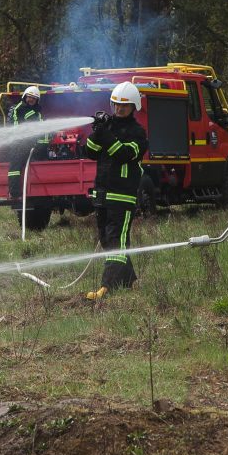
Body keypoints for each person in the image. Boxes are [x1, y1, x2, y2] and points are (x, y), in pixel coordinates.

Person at [83, 81, 148, 300]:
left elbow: (123, 154)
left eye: (124, 106)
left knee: (117, 241)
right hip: (102, 195)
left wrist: (106, 135)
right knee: (106, 240)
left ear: (133, 107)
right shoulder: (107, 127)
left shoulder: (137, 133)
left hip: (122, 197)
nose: (119, 110)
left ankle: (106, 287)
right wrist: (97, 131)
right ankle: (131, 282)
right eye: (116, 105)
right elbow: (89, 152)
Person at [7, 86, 43, 199]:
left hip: (32, 144)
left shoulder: (37, 112)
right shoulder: (19, 109)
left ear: (37, 101)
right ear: (24, 97)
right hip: (19, 143)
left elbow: (41, 127)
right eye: (29, 97)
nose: (30, 100)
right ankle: (14, 193)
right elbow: (16, 126)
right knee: (15, 166)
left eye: (33, 98)